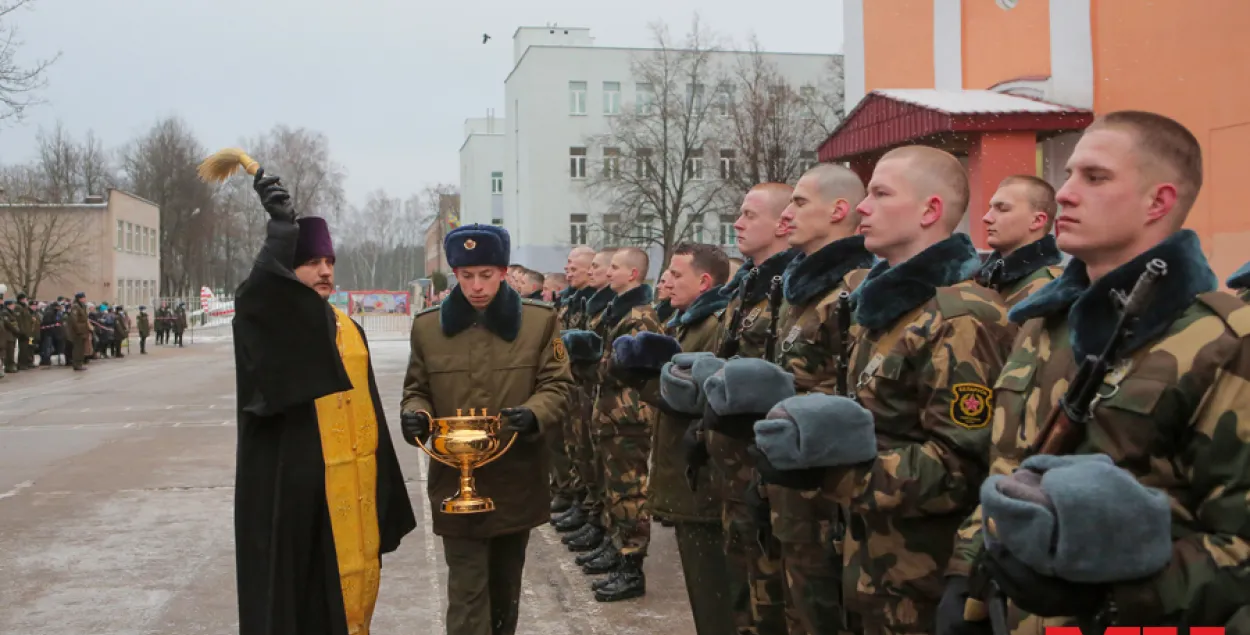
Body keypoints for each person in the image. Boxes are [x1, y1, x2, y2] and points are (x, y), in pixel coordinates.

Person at [939, 111, 1250, 632]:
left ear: (1159, 201)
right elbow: (1011, 471)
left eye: (1096, 177)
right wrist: (965, 579)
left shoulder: (1224, 341)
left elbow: (1239, 544)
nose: (1065, 194)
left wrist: (1107, 595)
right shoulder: (1045, 323)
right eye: (1069, 176)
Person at [753, 145, 1015, 635]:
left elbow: (964, 465)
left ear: (929, 210)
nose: (862, 208)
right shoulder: (885, 309)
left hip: (921, 580)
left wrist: (834, 470)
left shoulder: (959, 315)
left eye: (879, 193)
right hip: (872, 566)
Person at [232, 169, 416, 635]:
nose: (326, 270)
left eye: (329, 260)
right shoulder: (279, 327)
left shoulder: (348, 327)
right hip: (297, 505)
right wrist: (279, 235)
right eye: (311, 261)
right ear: (286, 272)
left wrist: (384, 492)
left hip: (353, 493)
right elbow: (257, 300)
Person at [400, 223, 574, 635]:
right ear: (455, 274)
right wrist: (417, 416)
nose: (476, 286)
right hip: (453, 482)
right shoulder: (428, 327)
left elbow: (558, 384)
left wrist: (534, 413)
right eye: (466, 276)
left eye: (486, 275)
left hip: (515, 475)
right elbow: (417, 389)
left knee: (504, 586)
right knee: (467, 591)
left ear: (503, 271)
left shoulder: (539, 322)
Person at [750, 163, 875, 635]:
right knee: (792, 606)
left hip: (826, 493)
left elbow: (850, 396)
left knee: (823, 614)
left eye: (800, 202)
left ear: (839, 210)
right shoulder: (800, 288)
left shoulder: (851, 290)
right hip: (787, 482)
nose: (789, 211)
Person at [712, 182, 799, 635]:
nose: (738, 223)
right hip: (735, 462)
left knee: (773, 587)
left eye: (749, 215)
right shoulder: (748, 286)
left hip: (768, 466)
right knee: (744, 578)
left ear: (783, 224)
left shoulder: (788, 292)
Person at [647, 243, 736, 634]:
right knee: (703, 594)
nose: (668, 281)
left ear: (703, 281)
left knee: (714, 595)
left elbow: (698, 399)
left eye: (677, 274)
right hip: (687, 473)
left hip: (702, 476)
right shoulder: (687, 321)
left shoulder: (713, 326)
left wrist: (646, 381)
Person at [578, 247, 660, 602]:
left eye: (615, 267)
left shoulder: (640, 317)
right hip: (613, 413)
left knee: (629, 494)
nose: (608, 272)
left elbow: (621, 368)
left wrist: (586, 362)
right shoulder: (620, 311)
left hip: (629, 417)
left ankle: (631, 566)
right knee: (615, 491)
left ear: (633, 275)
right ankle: (617, 548)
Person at [975, 175, 1065, 308]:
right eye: (990, 208)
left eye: (1002, 208)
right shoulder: (986, 281)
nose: (987, 218)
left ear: (1037, 221)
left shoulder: (1050, 292)